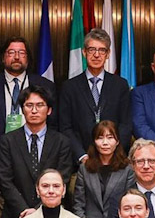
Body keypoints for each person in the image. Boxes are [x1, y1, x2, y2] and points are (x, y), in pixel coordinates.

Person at [0, 85, 76, 218]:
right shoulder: (8, 141)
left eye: (40, 105)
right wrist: (24, 210)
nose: (34, 110)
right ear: (22, 109)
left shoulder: (61, 142)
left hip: (51, 217)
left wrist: (38, 211)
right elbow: (5, 180)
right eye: (29, 105)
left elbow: (63, 177)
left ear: (49, 110)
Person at [0, 36, 57, 153]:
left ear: (27, 58)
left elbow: (53, 124)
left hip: (35, 153)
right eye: (11, 52)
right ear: (3, 57)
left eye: (21, 53)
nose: (16, 57)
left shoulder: (45, 85)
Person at [57, 28, 133, 160]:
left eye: (102, 50)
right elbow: (65, 127)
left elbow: (126, 124)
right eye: (92, 50)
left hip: (114, 160)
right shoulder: (69, 87)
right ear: (84, 52)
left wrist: (114, 153)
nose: (96, 55)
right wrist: (81, 155)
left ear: (108, 54)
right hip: (80, 161)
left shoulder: (120, 85)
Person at [72, 120, 133, 218]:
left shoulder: (127, 169)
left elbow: (129, 205)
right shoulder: (84, 169)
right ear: (94, 141)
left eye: (110, 137)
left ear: (117, 141)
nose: (105, 142)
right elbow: (78, 205)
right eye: (100, 138)